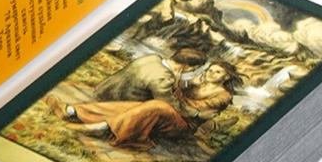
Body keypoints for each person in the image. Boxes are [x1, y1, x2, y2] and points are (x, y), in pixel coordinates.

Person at [65, 60, 239, 150]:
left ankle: (106, 127)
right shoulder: (197, 81)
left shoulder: (223, 95)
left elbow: (194, 111)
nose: (210, 73)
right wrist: (184, 84)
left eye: (217, 72)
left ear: (225, 77)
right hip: (175, 114)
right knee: (137, 107)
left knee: (157, 106)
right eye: (210, 69)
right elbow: (177, 91)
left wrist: (178, 100)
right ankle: (80, 112)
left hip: (183, 125)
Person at [93, 48, 207, 103]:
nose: (192, 71)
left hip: (104, 91)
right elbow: (167, 102)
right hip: (117, 102)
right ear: (186, 66)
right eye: (194, 69)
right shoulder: (164, 77)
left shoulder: (153, 57)